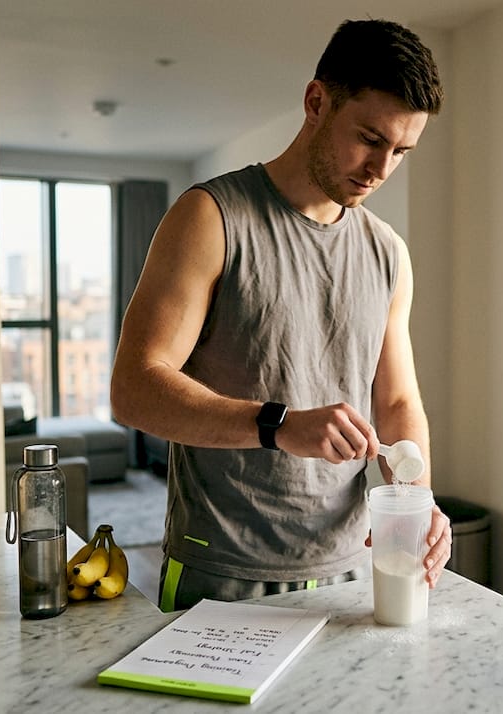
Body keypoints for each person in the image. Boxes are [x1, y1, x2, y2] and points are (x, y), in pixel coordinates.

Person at [111, 18, 451, 612]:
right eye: (370, 138)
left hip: (351, 572)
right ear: (316, 101)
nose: (380, 169)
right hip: (222, 571)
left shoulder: (389, 253)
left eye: (401, 151)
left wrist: (415, 500)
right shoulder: (211, 218)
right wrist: (278, 423)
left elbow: (397, 404)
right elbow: (134, 389)